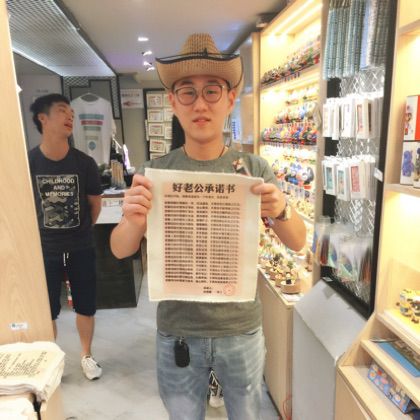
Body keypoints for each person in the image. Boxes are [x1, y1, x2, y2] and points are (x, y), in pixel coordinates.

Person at [110, 33, 306, 419]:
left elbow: (298, 241)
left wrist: (281, 207)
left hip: (241, 328)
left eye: (212, 91)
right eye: (188, 92)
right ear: (173, 102)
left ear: (230, 99)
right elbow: (120, 248)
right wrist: (133, 219)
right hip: (177, 331)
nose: (200, 104)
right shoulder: (155, 172)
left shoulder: (253, 169)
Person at [28, 94, 103, 380]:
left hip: (80, 246)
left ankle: (87, 355)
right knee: (47, 309)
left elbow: (94, 205)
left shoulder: (84, 163)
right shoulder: (29, 162)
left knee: (86, 304)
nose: (70, 116)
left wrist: (81, 229)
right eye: (62, 111)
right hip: (44, 248)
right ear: (43, 118)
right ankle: (51, 360)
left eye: (71, 112)